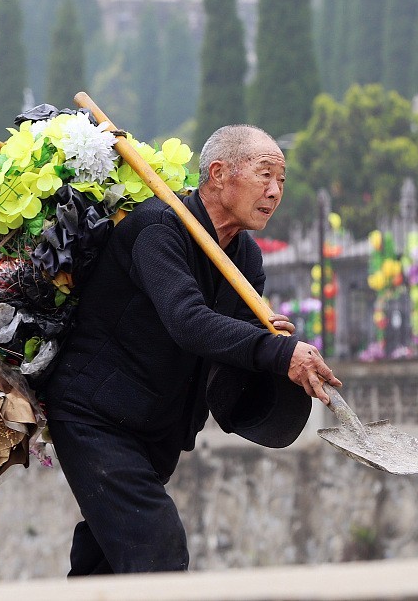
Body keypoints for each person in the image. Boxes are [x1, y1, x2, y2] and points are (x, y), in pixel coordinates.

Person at [42, 124, 341, 575]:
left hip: (161, 427)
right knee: (157, 552)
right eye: (264, 175)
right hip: (97, 416)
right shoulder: (157, 228)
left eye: (281, 180)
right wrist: (278, 353)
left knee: (104, 563)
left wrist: (272, 338)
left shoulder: (246, 257)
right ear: (218, 173)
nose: (275, 191)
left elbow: (230, 342)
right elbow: (190, 322)